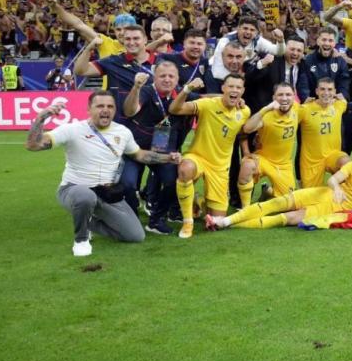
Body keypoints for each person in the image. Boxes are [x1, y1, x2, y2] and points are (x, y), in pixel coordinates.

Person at [24, 91, 180, 256]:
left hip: (106, 193)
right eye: (100, 106)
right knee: (85, 196)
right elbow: (33, 145)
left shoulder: (123, 132)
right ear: (88, 109)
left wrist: (168, 158)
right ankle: (81, 240)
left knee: (136, 236)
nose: (105, 110)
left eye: (110, 106)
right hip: (74, 189)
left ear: (114, 110)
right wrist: (41, 117)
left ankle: (88, 221)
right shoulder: (72, 129)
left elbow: (139, 154)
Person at [207, 141, 352, 230]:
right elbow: (334, 179)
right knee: (279, 202)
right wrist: (338, 188)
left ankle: (229, 225)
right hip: (323, 193)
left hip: (337, 209)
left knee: (287, 218)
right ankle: (224, 222)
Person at [169, 74, 252, 238]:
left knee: (218, 221)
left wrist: (247, 153)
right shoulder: (207, 104)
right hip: (198, 157)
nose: (234, 90)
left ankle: (198, 201)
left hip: (220, 167)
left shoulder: (244, 111)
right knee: (185, 169)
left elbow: (242, 134)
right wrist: (187, 89)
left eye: (238, 87)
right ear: (223, 89)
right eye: (231, 86)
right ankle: (187, 222)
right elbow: (175, 109)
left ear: (243, 91)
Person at [122, 62, 197, 230]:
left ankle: (156, 219)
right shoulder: (147, 91)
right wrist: (136, 88)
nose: (167, 79)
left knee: (173, 181)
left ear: (178, 79)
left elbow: (207, 100)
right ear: (154, 78)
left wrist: (229, 97)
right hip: (135, 148)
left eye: (171, 76)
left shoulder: (182, 95)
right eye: (162, 76)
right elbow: (129, 111)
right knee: (127, 184)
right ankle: (131, 220)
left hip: (163, 149)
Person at [299, 77, 352, 187]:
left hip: (333, 156)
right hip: (312, 161)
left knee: (347, 163)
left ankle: (348, 194)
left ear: (334, 92)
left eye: (330, 90)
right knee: (310, 200)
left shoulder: (339, 105)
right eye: (322, 89)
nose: (326, 93)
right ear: (316, 91)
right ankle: (270, 191)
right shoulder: (305, 109)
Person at [73, 24, 156, 122]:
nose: (131, 42)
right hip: (119, 127)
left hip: (150, 127)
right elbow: (80, 70)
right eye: (127, 39)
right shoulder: (113, 61)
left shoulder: (161, 63)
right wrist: (89, 48)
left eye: (136, 38)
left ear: (145, 39)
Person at [239, 83, 301, 205]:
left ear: (294, 96)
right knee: (247, 165)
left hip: (284, 165)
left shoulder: (298, 109)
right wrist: (266, 109)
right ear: (274, 97)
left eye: (288, 94)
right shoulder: (266, 115)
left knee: (288, 204)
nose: (284, 98)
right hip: (263, 160)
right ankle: (245, 209)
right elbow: (246, 129)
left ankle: (268, 192)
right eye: (280, 95)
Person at [243, 35, 308, 112]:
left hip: (287, 111)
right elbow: (249, 77)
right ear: (284, 49)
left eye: (299, 50)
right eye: (292, 49)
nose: (295, 53)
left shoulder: (302, 65)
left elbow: (302, 87)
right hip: (264, 110)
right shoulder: (271, 59)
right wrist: (261, 64)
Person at [209, 17, 285, 81]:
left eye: (252, 30)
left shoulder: (258, 41)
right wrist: (239, 78)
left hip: (240, 73)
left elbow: (278, 52)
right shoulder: (225, 41)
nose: (248, 32)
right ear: (238, 29)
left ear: (256, 32)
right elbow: (217, 72)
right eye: (245, 28)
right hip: (218, 75)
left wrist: (281, 41)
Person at [302, 26, 350, 99]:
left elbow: (344, 83)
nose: (327, 43)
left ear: (334, 43)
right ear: (318, 41)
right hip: (313, 104)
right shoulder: (308, 61)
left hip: (334, 103)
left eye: (330, 40)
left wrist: (342, 95)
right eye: (324, 40)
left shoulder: (340, 62)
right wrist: (305, 98)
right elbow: (303, 85)